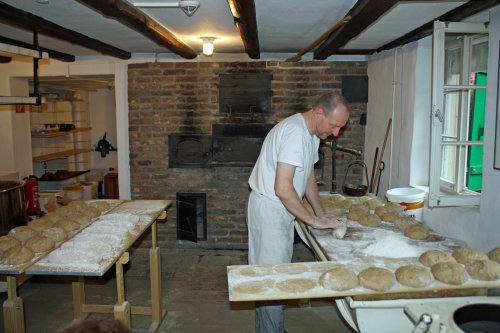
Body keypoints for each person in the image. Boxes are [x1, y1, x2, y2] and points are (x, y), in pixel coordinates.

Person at [247, 93, 349, 333]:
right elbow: (283, 188)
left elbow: (308, 176)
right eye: (334, 126)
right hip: (270, 211)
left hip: (279, 209)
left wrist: (320, 211)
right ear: (319, 113)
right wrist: (312, 221)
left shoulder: (312, 133)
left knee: (273, 277)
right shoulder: (295, 134)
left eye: (340, 128)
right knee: (272, 282)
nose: (335, 134)